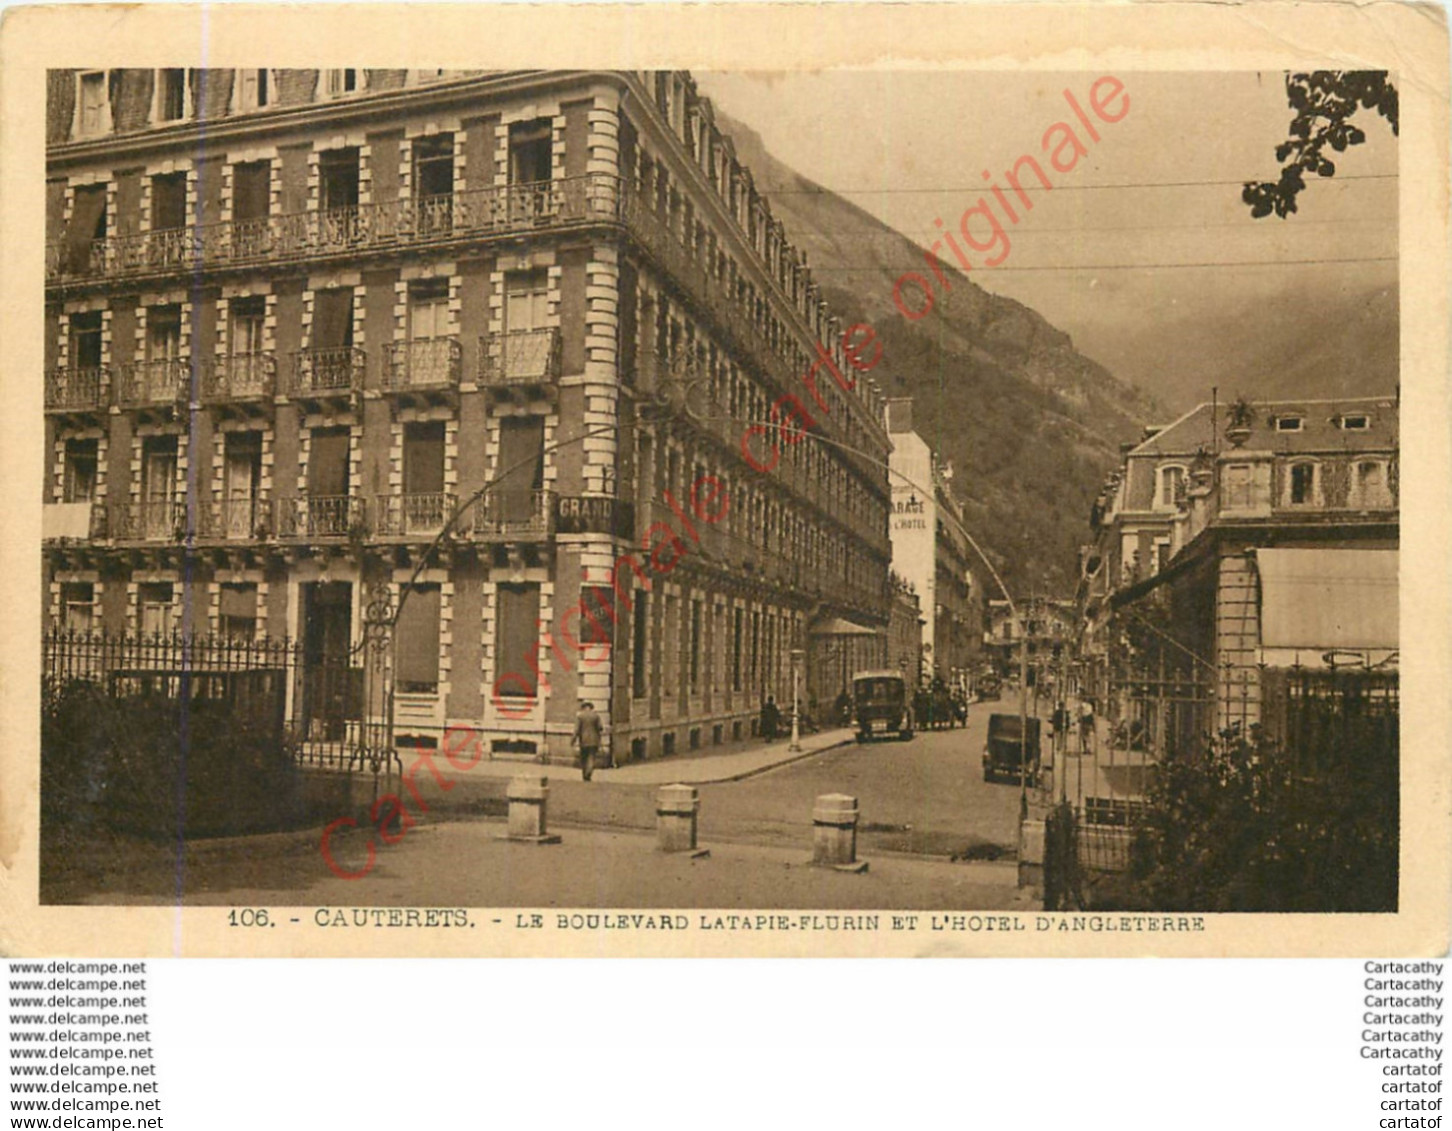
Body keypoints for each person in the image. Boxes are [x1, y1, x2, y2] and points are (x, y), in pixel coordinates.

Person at [572, 700, 602, 781]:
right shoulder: (596, 716)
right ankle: (589, 772)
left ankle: (585, 773)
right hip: (594, 740)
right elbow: (600, 727)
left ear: (584, 707)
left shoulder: (580, 716)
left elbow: (577, 729)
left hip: (584, 740)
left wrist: (573, 740)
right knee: (591, 757)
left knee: (584, 758)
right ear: (591, 707)